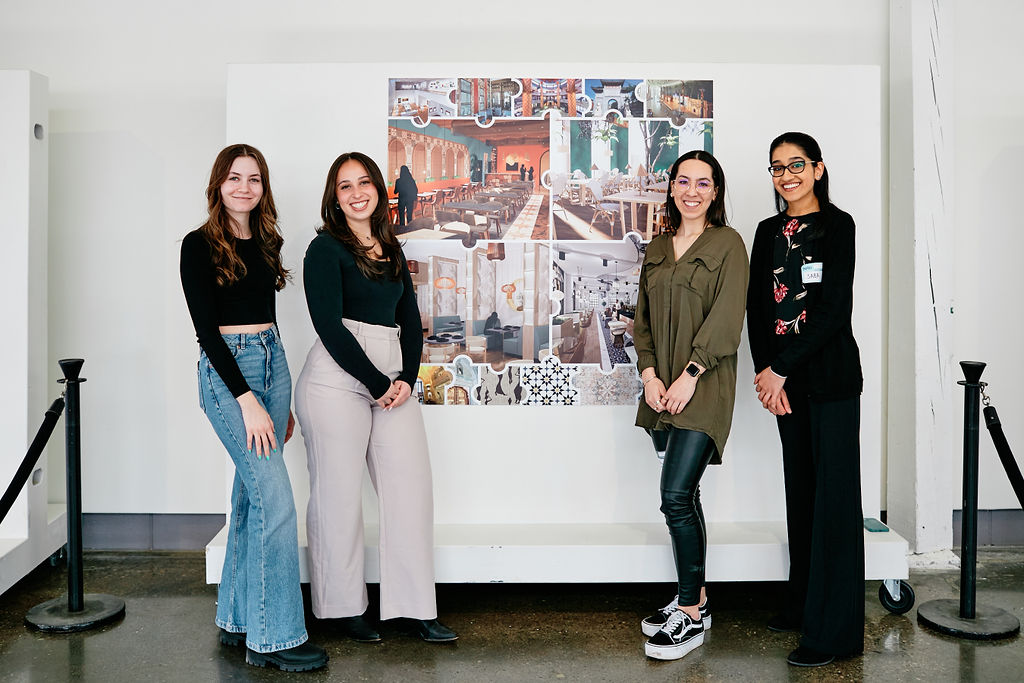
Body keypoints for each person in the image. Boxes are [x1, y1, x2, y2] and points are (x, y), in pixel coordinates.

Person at [294, 151, 457, 644]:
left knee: (410, 489)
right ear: (334, 198)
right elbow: (328, 326)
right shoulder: (323, 250)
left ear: (379, 191)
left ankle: (414, 607)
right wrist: (377, 382)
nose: (356, 192)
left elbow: (409, 318)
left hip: (391, 378)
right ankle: (341, 608)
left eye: (364, 182)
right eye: (345, 186)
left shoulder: (392, 247)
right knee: (338, 496)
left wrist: (405, 376)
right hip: (335, 378)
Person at [179, 144, 327, 672]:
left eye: (255, 179)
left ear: (263, 188)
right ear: (218, 184)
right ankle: (277, 635)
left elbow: (267, 314)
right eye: (235, 178)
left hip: (273, 361)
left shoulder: (267, 239)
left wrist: (276, 400)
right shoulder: (197, 246)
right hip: (228, 374)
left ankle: (238, 616)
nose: (244, 187)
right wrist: (248, 401)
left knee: (250, 497)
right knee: (276, 502)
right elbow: (206, 333)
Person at [746, 131, 864, 667]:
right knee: (803, 498)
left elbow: (833, 310)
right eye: (777, 167)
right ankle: (802, 604)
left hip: (831, 382)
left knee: (834, 506)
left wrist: (780, 369)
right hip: (786, 386)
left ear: (818, 169)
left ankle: (834, 634)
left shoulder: (838, 226)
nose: (786, 175)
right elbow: (758, 311)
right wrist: (766, 374)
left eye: (796, 165)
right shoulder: (768, 230)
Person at [633, 150, 748, 661]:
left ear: (716, 191)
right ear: (672, 188)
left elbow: (726, 320)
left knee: (674, 497)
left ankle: (690, 615)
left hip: (705, 388)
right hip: (662, 391)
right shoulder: (657, 247)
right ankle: (695, 598)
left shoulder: (728, 244)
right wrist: (650, 375)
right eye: (684, 181)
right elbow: (643, 321)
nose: (692, 191)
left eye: (704, 183)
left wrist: (690, 375)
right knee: (688, 497)